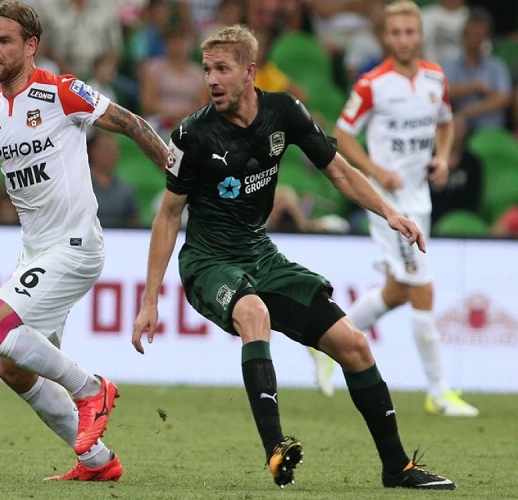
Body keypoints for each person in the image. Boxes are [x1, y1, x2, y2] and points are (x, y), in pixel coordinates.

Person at [131, 23, 457, 490]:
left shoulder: (283, 112)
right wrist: (150, 300)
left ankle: (398, 467)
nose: (212, 80)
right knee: (254, 313)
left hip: (261, 254)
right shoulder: (192, 134)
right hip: (208, 261)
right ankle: (275, 449)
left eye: (222, 69)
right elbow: (167, 216)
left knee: (354, 345)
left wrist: (390, 212)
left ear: (249, 72)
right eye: (207, 70)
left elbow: (339, 172)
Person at [0, 1, 169, 482]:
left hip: (76, 245)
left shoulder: (61, 92)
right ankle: (97, 462)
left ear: (31, 46)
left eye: (4, 41)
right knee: (14, 369)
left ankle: (90, 388)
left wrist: (177, 172)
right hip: (36, 252)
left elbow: (131, 124)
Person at [316, 0, 479, 417]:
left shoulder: (435, 77)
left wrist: (442, 156)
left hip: (419, 198)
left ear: (420, 35)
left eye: (410, 32)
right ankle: (438, 393)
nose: (404, 39)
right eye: (396, 33)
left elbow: (446, 121)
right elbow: (342, 135)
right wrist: (376, 171)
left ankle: (327, 340)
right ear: (384, 38)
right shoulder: (371, 84)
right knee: (422, 287)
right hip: (387, 205)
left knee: (397, 291)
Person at [443, 7, 512, 134]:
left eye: (480, 35)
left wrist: (468, 112)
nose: (476, 39)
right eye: (473, 34)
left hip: (490, 127)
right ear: (463, 35)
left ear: (487, 38)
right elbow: (443, 91)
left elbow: (504, 98)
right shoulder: (450, 64)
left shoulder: (496, 66)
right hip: (459, 125)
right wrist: (474, 86)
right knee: (455, 126)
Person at [88, 131, 140, 228]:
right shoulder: (82, 186)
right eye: (105, 149)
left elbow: (133, 222)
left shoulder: (125, 189)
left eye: (114, 149)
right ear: (92, 151)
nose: (110, 154)